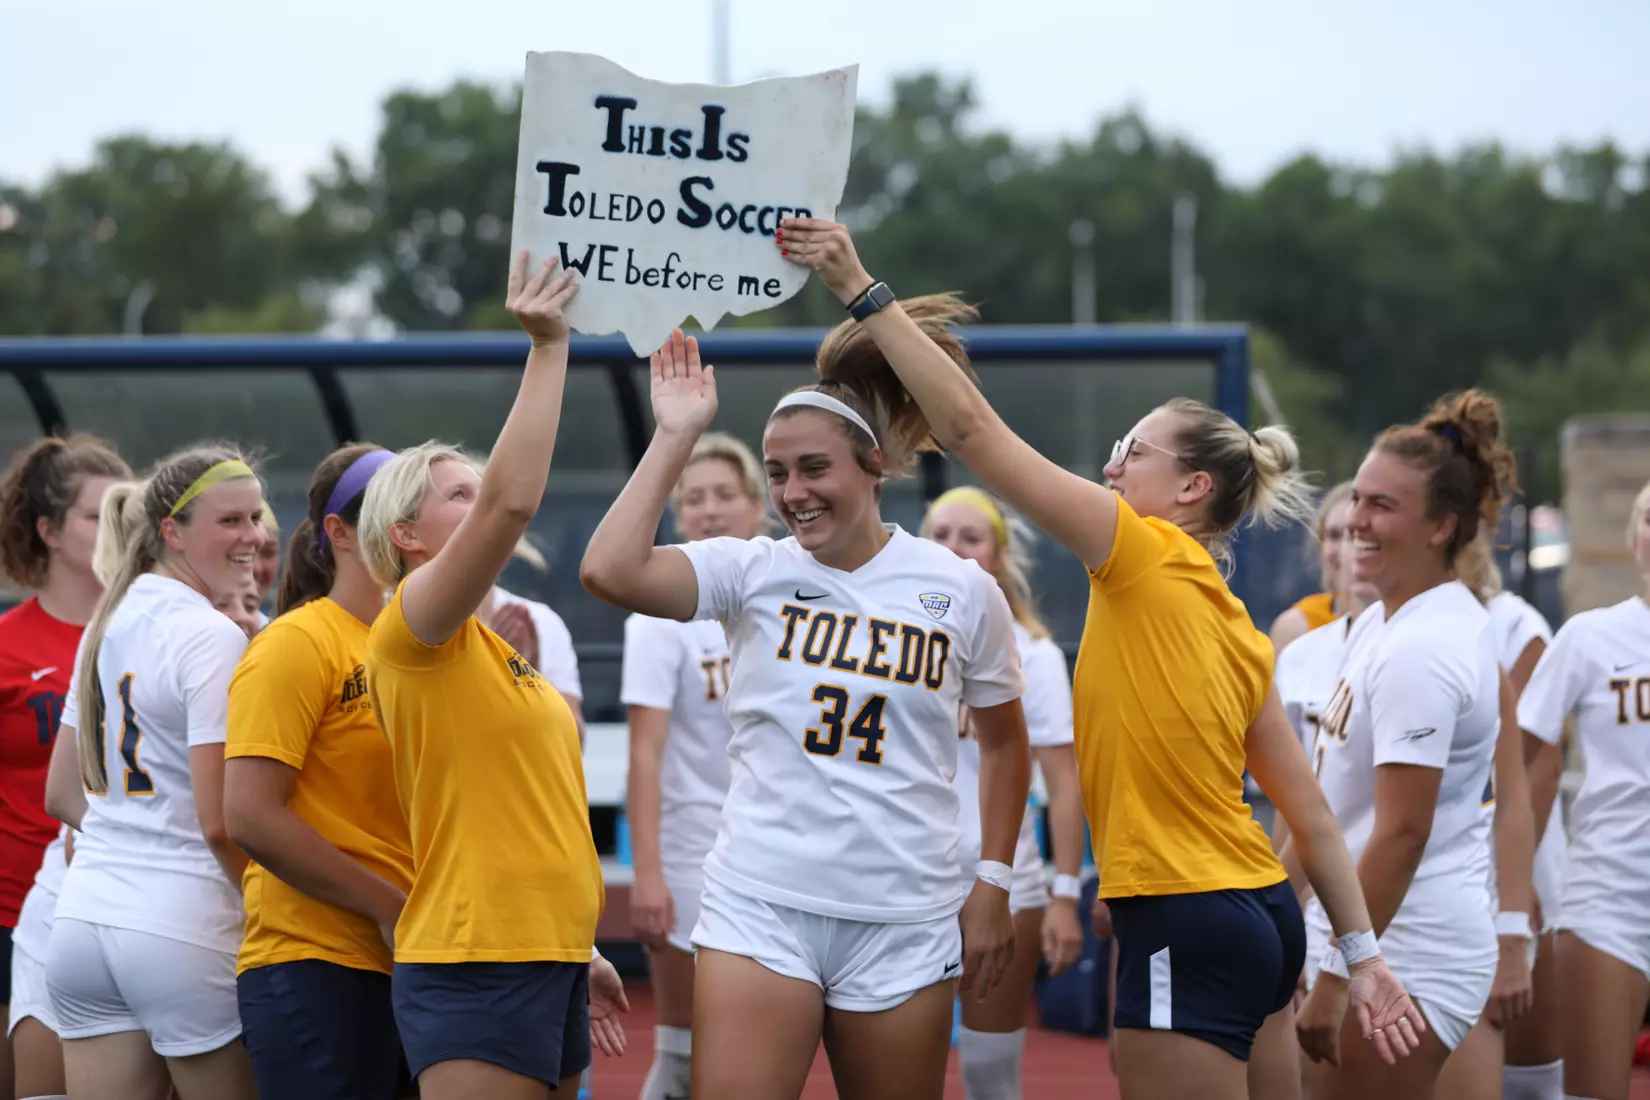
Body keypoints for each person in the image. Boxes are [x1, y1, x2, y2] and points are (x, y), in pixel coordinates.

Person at [773, 215, 1423, 1100]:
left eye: (1131, 452)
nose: (1112, 470)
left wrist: (860, 289)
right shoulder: (1237, 625)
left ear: (1191, 487)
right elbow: (1307, 810)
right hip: (1265, 912)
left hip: (1186, 914)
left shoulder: (1140, 550)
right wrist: (1364, 956)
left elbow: (971, 429)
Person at [581, 322, 1031, 1100]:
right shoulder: (751, 570)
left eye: (815, 468)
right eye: (778, 473)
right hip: (762, 902)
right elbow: (608, 569)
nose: (793, 493)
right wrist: (676, 435)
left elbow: (1004, 746)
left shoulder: (960, 589)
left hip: (905, 912)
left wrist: (993, 879)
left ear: (875, 465)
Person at [357, 254, 626, 1100]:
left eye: (477, 490)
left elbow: (520, 810)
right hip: (476, 961)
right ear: (405, 536)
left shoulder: (500, 646)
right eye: (458, 496)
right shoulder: (411, 628)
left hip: (549, 952)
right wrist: (549, 348)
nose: (484, 505)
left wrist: (580, 946)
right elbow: (513, 501)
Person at [1294, 391, 1535, 1100]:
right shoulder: (1386, 623)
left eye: (1382, 506)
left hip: (1405, 954)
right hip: (1371, 940)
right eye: (1357, 498)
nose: (1357, 521)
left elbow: (1403, 833)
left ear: (1441, 527)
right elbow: (1331, 806)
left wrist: (1340, 975)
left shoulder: (1422, 648)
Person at [39, 444, 265, 1100]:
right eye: (230, 520)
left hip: (83, 921)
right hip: (183, 923)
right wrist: (276, 913)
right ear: (172, 531)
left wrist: (132, 837)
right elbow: (219, 823)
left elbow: (62, 792)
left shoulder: (108, 619)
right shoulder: (210, 634)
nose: (253, 536)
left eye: (255, 517)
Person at [221, 443, 417, 1100]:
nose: (408, 525)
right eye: (392, 510)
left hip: (417, 962)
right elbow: (248, 814)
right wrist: (387, 906)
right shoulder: (298, 642)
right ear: (339, 532)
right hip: (316, 961)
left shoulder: (419, 648)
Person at [921, 486, 1087, 1100]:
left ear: (999, 553)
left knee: (991, 1075)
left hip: (1002, 882)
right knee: (900, 1069)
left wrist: (1065, 895)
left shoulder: (1032, 653)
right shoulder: (885, 638)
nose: (954, 548)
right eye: (940, 535)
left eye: (972, 537)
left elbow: (1063, 783)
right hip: (904, 881)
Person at [620, 430, 767, 1100]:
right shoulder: (659, 614)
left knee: (757, 1053)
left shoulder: (790, 595)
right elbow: (644, 752)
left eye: (724, 495)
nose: (709, 510)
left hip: (774, 852)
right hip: (692, 854)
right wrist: (648, 875)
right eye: (695, 498)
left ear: (757, 505)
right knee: (681, 1053)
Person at [0, 434, 130, 1100]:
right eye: (97, 514)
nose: (117, 526)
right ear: (48, 531)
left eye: (127, 509)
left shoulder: (149, 633)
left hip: (128, 905)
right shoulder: (7, 646)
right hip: (15, 904)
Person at [1514, 478, 1650, 1100]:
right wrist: (1510, 884)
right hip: (1610, 896)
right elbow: (1514, 767)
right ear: (1633, 539)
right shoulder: (1590, 636)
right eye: (1649, 519)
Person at [1453, 535, 1564, 1100]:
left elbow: (1531, 768)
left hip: (1507, 862)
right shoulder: (1377, 626)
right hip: (1434, 876)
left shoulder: (1515, 626)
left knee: (1524, 1065)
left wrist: (1512, 890)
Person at [1270, 481, 1356, 654]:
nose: (1344, 548)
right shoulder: (1297, 627)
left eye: (1355, 534)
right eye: (1334, 535)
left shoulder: (1406, 620)